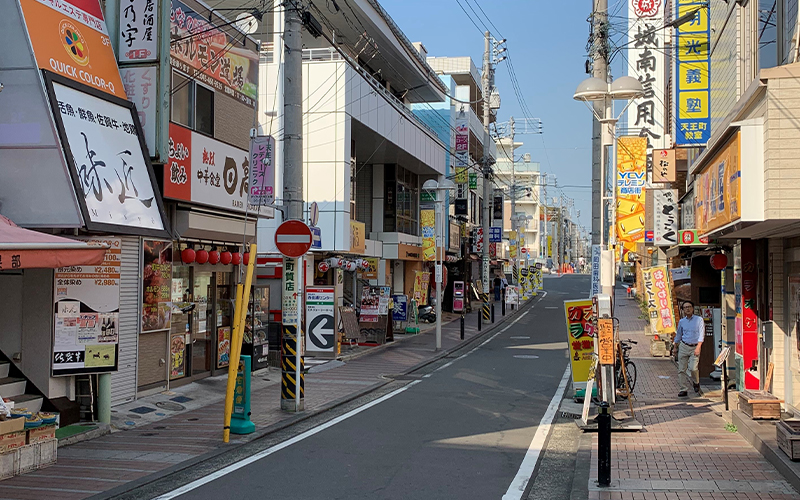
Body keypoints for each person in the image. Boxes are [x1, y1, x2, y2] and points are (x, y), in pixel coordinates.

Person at [673, 301, 704, 397]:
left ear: (693, 308)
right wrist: (675, 347)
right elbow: (678, 335)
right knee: (681, 369)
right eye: (685, 307)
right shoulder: (682, 322)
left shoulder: (699, 320)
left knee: (693, 368)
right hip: (683, 345)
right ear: (683, 310)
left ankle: (696, 382)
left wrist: (699, 347)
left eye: (689, 307)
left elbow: (701, 334)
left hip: (695, 346)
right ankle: (683, 389)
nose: (687, 309)